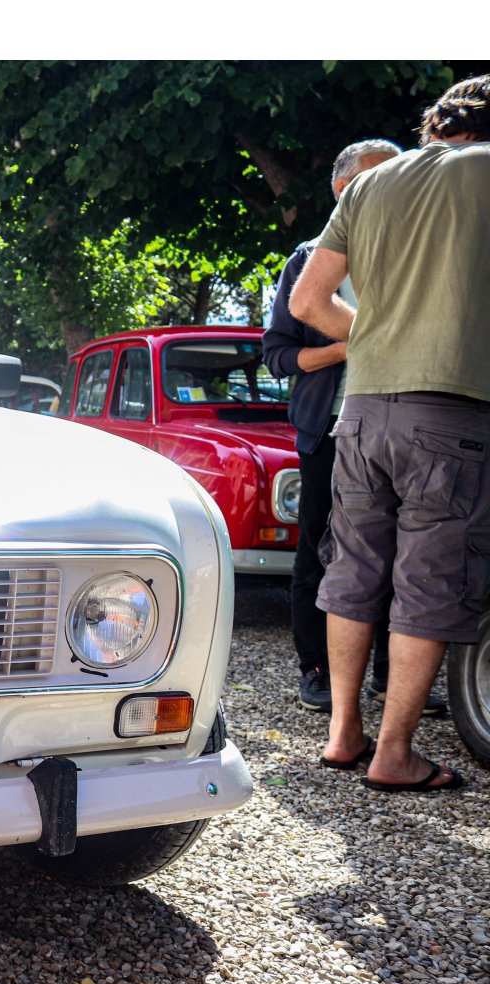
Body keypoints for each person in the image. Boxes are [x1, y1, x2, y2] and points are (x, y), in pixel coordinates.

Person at [289, 74, 490, 792]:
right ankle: (395, 754)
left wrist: (376, 339)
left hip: (363, 408)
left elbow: (309, 300)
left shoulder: (370, 184)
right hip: (451, 410)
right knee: (428, 583)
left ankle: (344, 733)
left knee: (354, 569)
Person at [265, 139, 447, 721]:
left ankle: (389, 681)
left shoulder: (417, 259)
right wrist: (352, 346)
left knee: (403, 557)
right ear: (344, 192)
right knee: (321, 553)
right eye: (377, 179)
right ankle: (315, 672)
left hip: (400, 424)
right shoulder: (309, 259)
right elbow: (278, 356)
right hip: (329, 430)